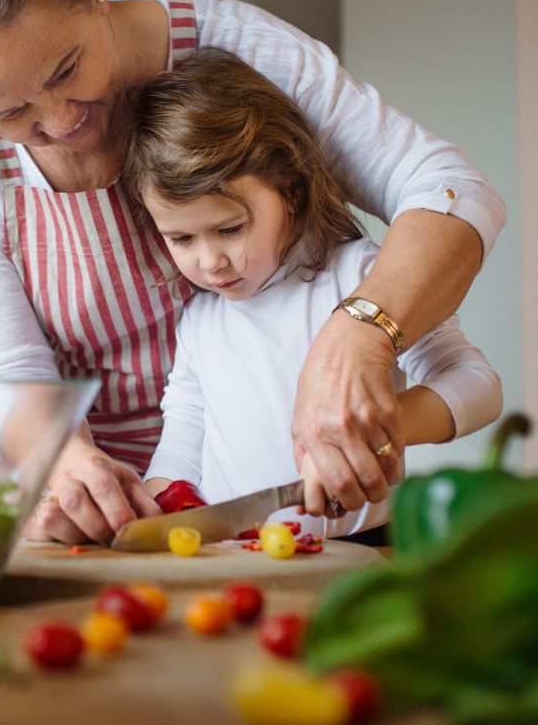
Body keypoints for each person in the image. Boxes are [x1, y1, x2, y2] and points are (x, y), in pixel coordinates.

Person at [0, 0, 507, 544]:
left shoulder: (242, 50)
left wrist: (361, 334)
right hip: (129, 508)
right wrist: (71, 465)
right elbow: (10, 364)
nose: (60, 121)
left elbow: (447, 187)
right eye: (6, 114)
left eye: (67, 69)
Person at [125, 49, 502, 537]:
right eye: (182, 239)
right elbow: (184, 433)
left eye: (230, 228)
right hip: (237, 555)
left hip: (362, 549)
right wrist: (158, 504)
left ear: (291, 193)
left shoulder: (364, 279)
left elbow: (478, 384)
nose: (210, 261)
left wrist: (374, 432)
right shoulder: (201, 317)